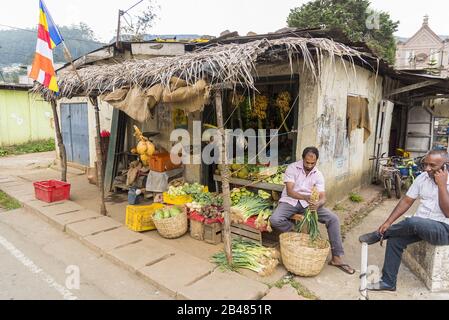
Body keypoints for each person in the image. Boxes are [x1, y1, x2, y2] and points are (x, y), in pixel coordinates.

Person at [359, 150, 449, 292]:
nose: (427, 169)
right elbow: (406, 201)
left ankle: (379, 234)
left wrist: (442, 186)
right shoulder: (422, 178)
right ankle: (389, 282)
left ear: (445, 166)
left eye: (432, 166)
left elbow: (447, 212)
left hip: (444, 230)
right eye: (425, 164)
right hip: (422, 226)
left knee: (413, 222)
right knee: (395, 240)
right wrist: (388, 222)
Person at [270, 147, 355, 275]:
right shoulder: (292, 168)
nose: (309, 165)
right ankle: (295, 233)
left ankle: (337, 257)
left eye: (312, 163)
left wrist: (318, 204)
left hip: (309, 205)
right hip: (290, 201)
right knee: (275, 219)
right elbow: (290, 191)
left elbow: (323, 197)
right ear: (303, 159)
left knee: (333, 219)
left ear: (316, 161)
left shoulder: (318, 174)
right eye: (307, 162)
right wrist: (305, 197)